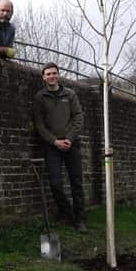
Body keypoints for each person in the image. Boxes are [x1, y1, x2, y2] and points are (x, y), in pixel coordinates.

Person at [33, 62, 87, 232]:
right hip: (52, 146)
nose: (52, 76)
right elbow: (39, 124)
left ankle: (79, 220)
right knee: (55, 184)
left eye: (54, 73)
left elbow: (78, 118)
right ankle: (67, 213)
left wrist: (70, 139)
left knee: (76, 182)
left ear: (58, 74)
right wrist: (54, 141)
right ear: (43, 77)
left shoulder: (70, 95)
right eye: (48, 74)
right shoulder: (40, 98)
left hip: (72, 144)